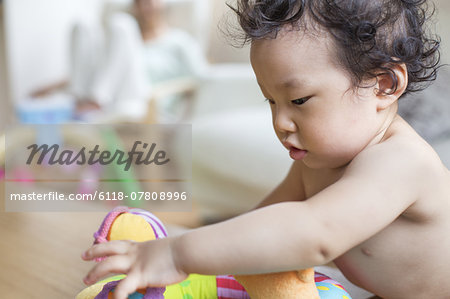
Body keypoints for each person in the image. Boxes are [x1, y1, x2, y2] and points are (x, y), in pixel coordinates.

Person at [81, 0, 450, 298]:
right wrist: (190, 261)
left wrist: (178, 254)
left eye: (299, 100)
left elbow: (314, 233)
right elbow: (264, 225)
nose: (280, 123)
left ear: (384, 84)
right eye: (272, 102)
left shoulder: (402, 163)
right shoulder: (316, 162)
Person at [31, 0, 206, 122]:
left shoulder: (180, 41)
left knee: (121, 23)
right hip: (111, 98)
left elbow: (202, 78)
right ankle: (81, 99)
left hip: (146, 103)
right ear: (135, 7)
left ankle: (94, 102)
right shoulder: (125, 44)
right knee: (82, 26)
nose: (148, 6)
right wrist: (51, 86)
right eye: (141, 1)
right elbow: (103, 73)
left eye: (152, 0)